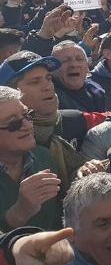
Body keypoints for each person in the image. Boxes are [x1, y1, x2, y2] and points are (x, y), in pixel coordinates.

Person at [0, 52, 86, 184]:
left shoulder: (73, 120)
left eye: (49, 78)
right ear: (10, 91)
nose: (48, 86)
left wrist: (85, 170)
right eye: (35, 82)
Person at [0, 86, 63, 231]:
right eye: (13, 123)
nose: (28, 125)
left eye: (28, 115)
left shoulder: (45, 157)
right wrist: (19, 213)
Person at [51, 41, 108, 112]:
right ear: (52, 70)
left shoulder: (98, 92)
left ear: (87, 66)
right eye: (65, 61)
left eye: (79, 59)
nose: (74, 65)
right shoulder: (48, 98)